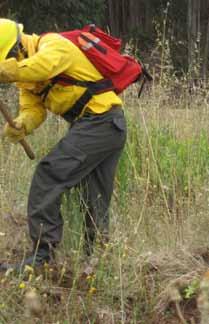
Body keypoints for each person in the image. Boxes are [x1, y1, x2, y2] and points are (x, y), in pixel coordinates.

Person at [0, 19, 126, 269]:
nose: (10, 62)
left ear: (19, 46)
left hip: (102, 122)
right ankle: (99, 260)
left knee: (48, 175)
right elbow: (34, 110)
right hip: (98, 126)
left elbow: (41, 67)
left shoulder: (53, 45)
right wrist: (21, 124)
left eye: (9, 57)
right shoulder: (26, 78)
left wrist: (5, 70)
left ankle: (42, 256)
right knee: (92, 196)